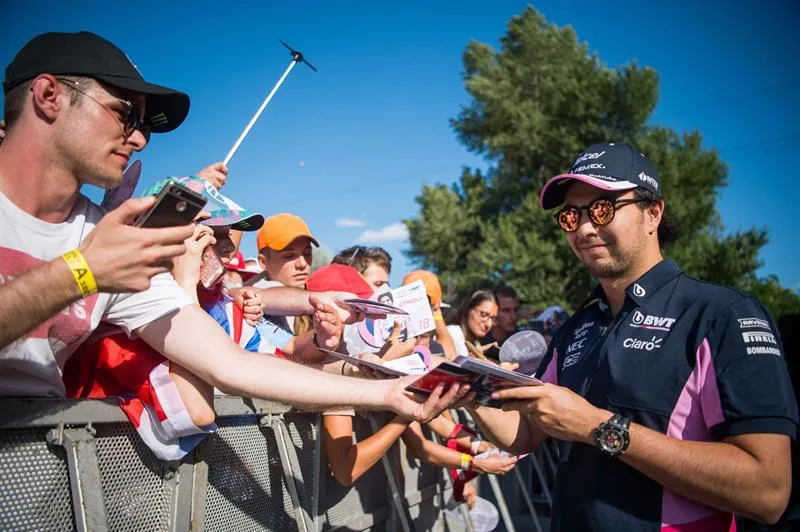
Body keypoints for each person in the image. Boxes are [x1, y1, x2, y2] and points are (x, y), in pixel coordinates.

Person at [0, 31, 466, 423]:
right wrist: (80, 273)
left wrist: (387, 394)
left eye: (144, 123)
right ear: (48, 96)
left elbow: (231, 362)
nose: (140, 137)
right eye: (126, 113)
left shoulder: (102, 239)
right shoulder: (98, 252)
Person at [465, 142, 798, 530]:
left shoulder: (721, 314)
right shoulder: (577, 327)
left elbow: (768, 490)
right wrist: (471, 391)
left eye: (603, 208)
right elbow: (526, 434)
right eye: (571, 216)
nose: (585, 228)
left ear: (653, 212)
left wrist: (599, 428)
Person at [446, 290, 499, 359]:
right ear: (468, 309)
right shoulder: (451, 334)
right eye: (484, 315)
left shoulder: (477, 344)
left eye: (493, 318)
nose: (489, 324)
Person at [482, 285, 522, 359]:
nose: (513, 316)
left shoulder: (521, 340)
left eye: (516, 310)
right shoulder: (479, 340)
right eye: (506, 310)